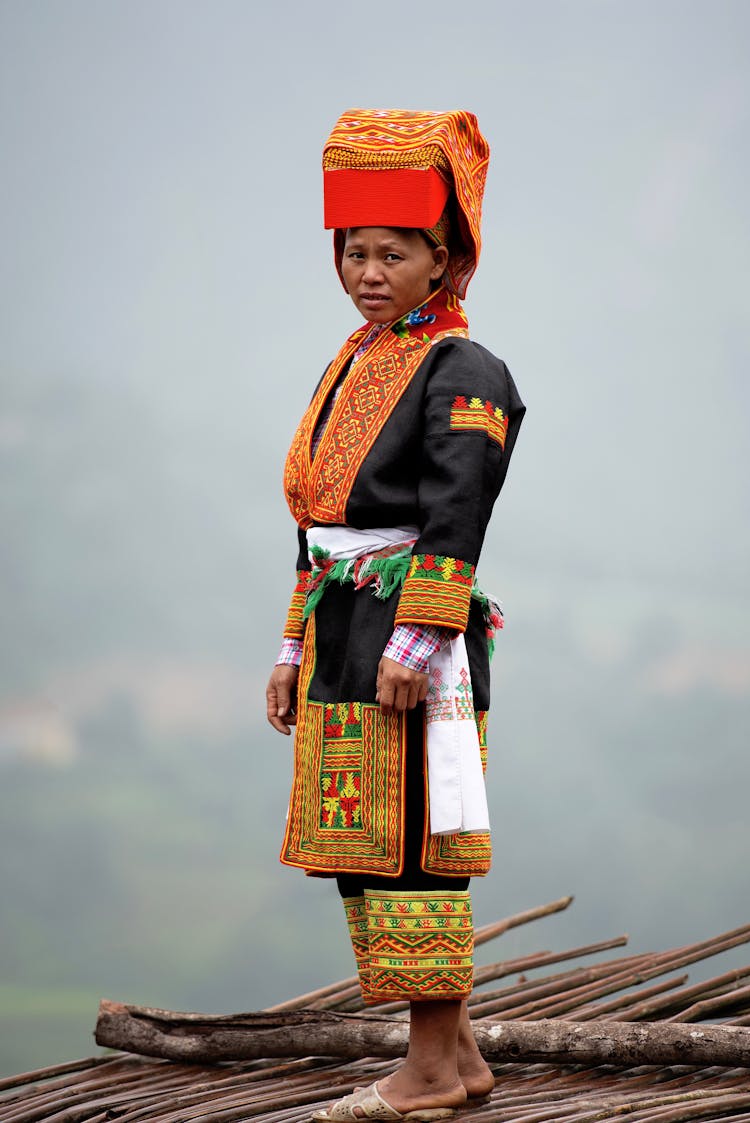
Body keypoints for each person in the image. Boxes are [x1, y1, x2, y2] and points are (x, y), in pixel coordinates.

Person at [266, 109, 525, 1123]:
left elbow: (459, 518)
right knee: (358, 842)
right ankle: (455, 1055)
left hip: (413, 640)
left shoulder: (467, 374)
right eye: (354, 251)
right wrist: (294, 642)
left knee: (419, 841)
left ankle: (422, 1069)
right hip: (342, 632)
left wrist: (419, 637)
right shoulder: (354, 361)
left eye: (394, 252)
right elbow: (319, 520)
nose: (369, 271)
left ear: (445, 258)